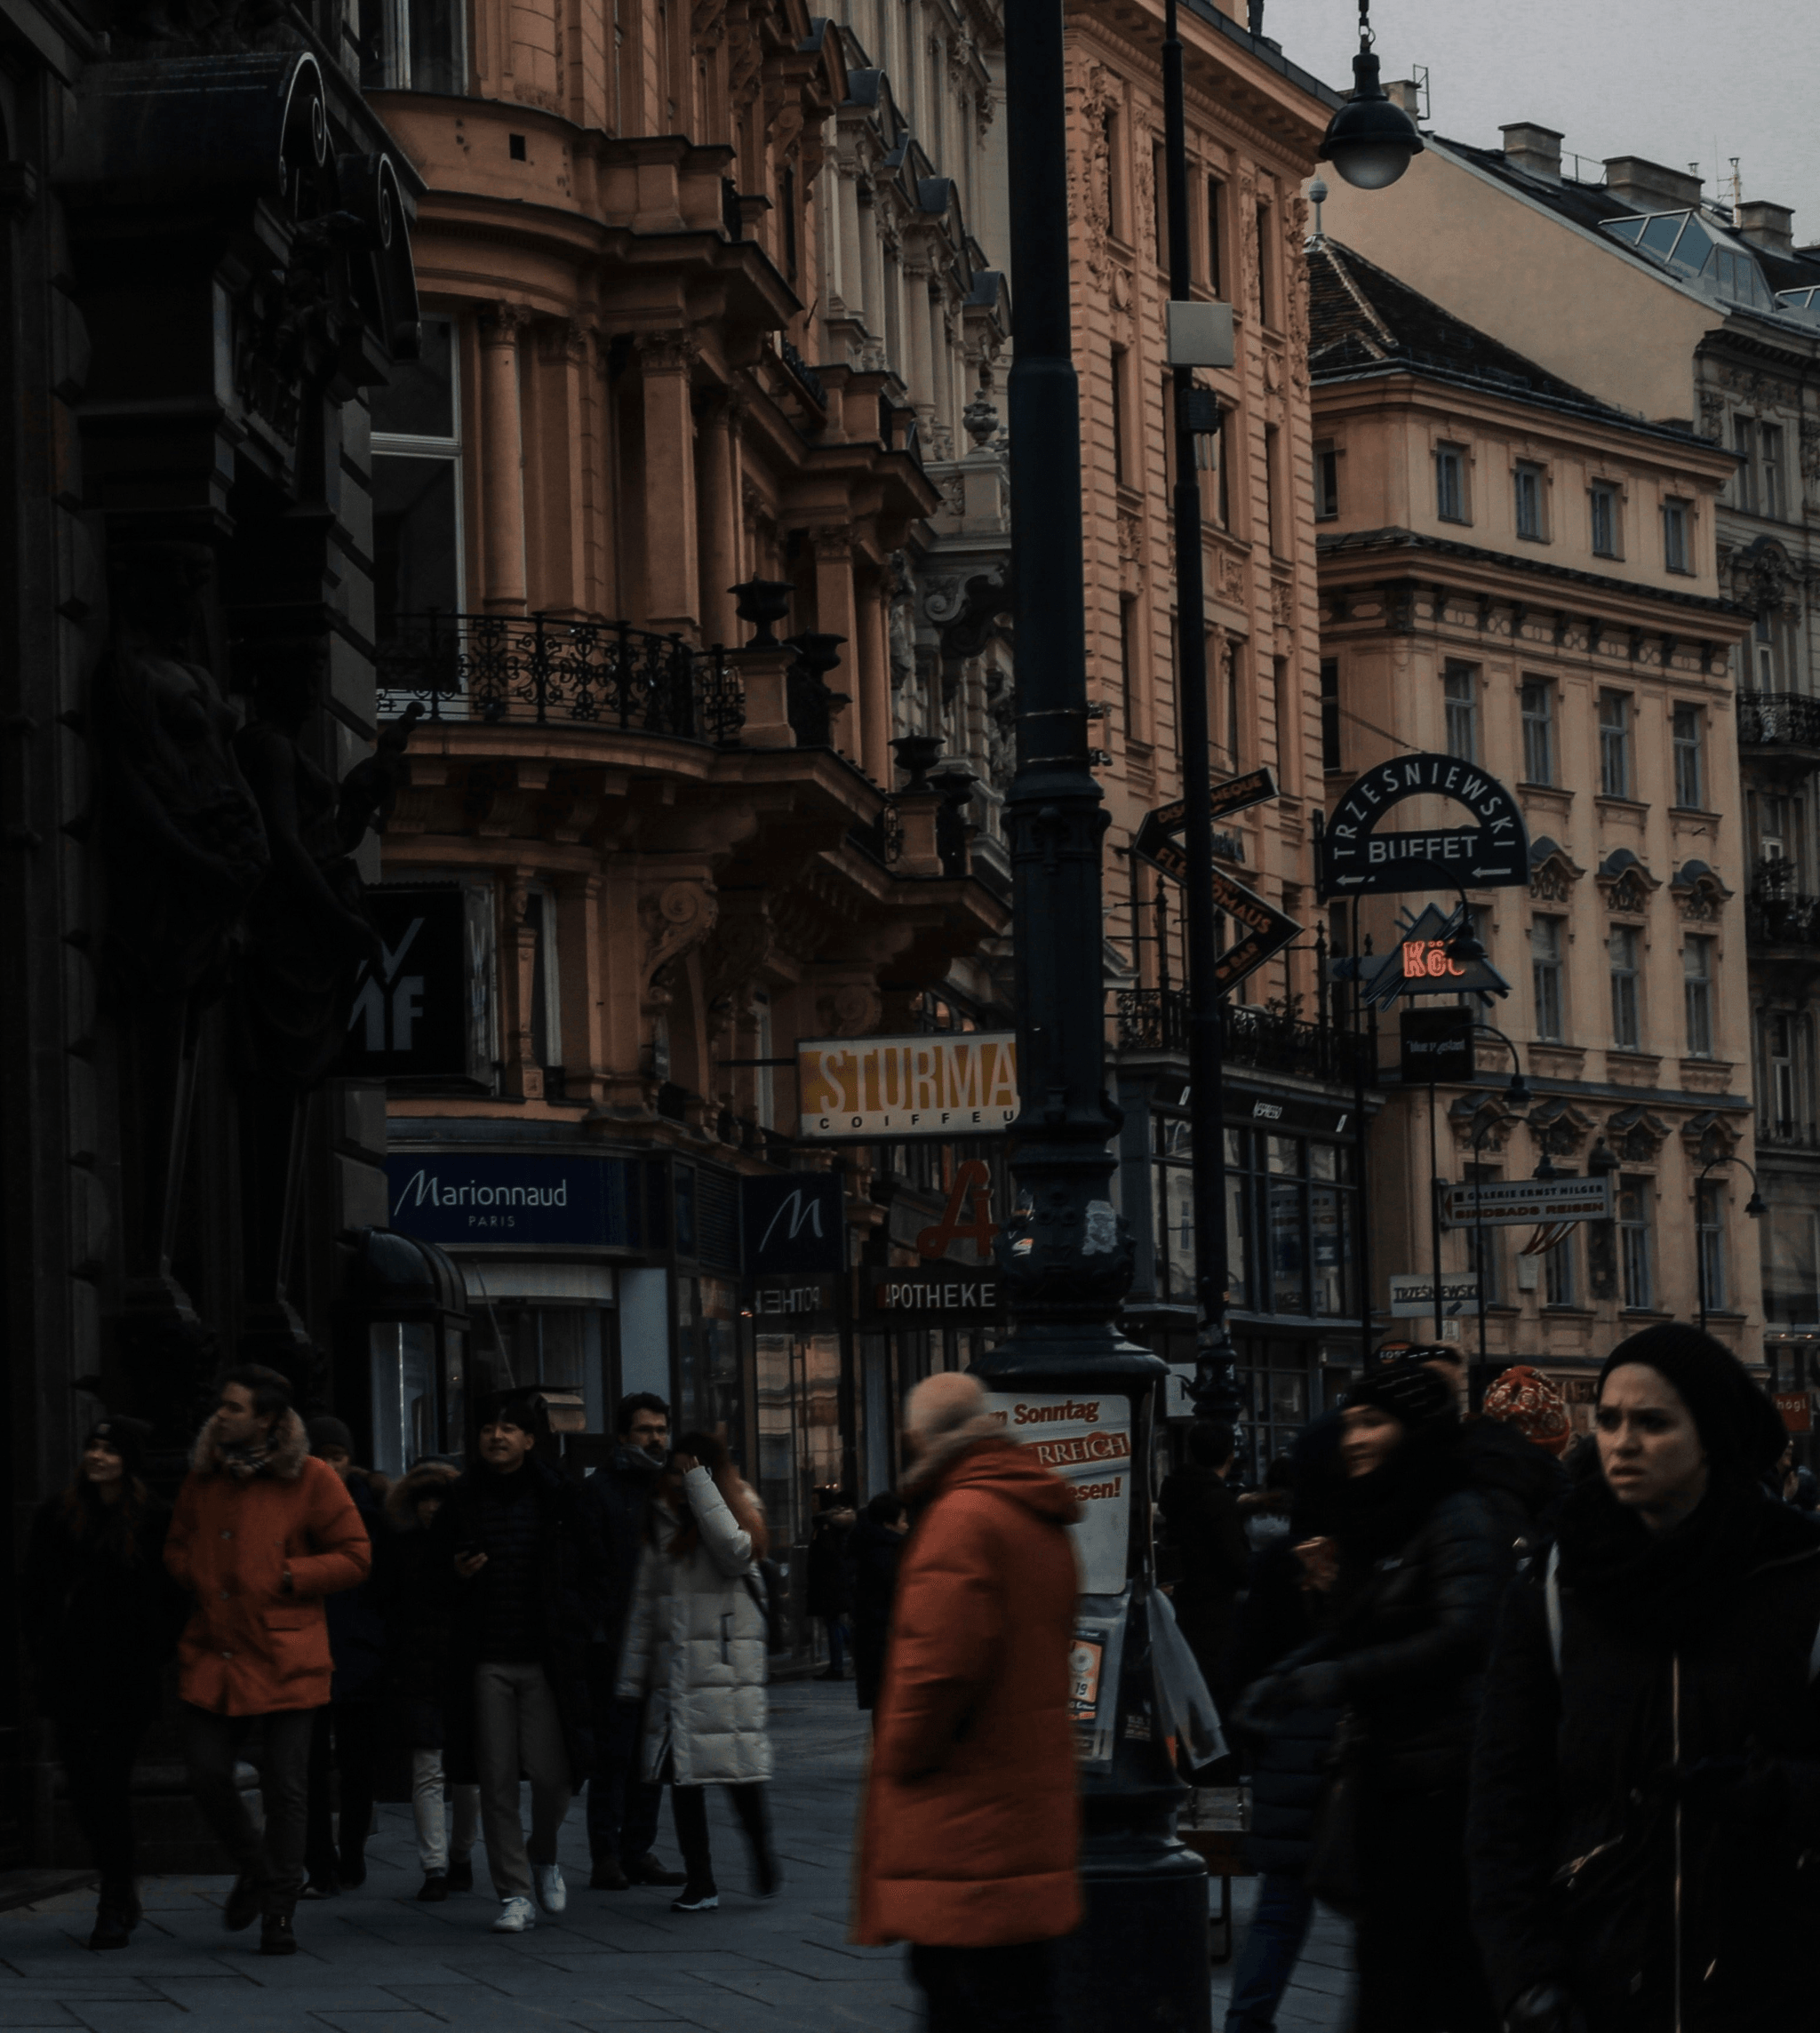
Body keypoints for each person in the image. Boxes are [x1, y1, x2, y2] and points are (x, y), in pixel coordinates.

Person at [1469, 1322, 1820, 2032]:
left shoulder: (1797, 1575)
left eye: (1653, 1423)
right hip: (1602, 1975)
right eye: (1608, 1420)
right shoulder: (1558, 1582)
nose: (1622, 1443)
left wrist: (1781, 1792)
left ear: (1711, 1436)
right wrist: (1524, 1975)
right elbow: (1506, 1795)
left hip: (1774, 1977)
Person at [1239, 1358, 1505, 2033]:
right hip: (1387, 1772)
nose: (1353, 1438)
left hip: (1446, 1778)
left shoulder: (1456, 1513)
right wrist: (1291, 1674)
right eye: (1350, 1423)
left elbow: (1465, 1632)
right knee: (1392, 1966)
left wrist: (1340, 1675)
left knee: (1427, 1970)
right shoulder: (1385, 1518)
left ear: (1414, 1431)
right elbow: (1353, 1626)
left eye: (1373, 1423)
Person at [854, 1372, 1081, 2032]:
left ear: (916, 1437)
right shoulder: (1035, 1512)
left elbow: (936, 1673)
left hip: (965, 1826)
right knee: (1021, 2000)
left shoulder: (958, 1518)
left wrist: (898, 1755)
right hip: (1024, 1804)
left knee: (966, 1999)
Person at [164, 1367, 371, 1957]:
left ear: (268, 1421)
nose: (221, 1414)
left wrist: (289, 1575)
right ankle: (255, 1866)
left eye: (234, 1407)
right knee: (204, 1771)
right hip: (216, 1650)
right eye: (221, 1405)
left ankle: (279, 1910)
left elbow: (355, 1556)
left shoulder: (310, 1478)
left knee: (288, 1789)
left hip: (287, 1653)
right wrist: (195, 1574)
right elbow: (177, 1544)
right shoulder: (203, 1476)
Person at [429, 1389, 603, 1934]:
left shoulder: (559, 1495)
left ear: (531, 1439)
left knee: (556, 1776)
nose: (496, 1436)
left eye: (508, 1429)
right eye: (488, 1428)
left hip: (546, 1657)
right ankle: (513, 1893)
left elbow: (590, 1568)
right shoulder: (460, 1497)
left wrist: (577, 1621)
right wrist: (455, 1572)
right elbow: (429, 1575)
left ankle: (544, 1851)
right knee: (496, 1778)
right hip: (485, 1657)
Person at [21, 1417, 184, 1951]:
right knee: (82, 1783)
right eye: (93, 1446)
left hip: (126, 1675)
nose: (97, 1456)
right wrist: (42, 1646)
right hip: (69, 1672)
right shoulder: (56, 1515)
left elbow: (172, 1596)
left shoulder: (154, 1520)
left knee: (108, 1782)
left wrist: (153, 1652)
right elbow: (34, 1589)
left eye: (110, 1450)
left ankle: (114, 1896)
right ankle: (120, 1879)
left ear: (128, 1460)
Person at [615, 1429, 778, 1913]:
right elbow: (646, 1602)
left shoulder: (738, 1502)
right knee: (684, 1779)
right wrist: (631, 1677)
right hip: (677, 1670)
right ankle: (701, 1882)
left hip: (726, 1664)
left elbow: (735, 1552)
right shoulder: (661, 1515)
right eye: (674, 1469)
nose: (677, 1479)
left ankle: (762, 1854)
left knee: (739, 1774)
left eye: (688, 1469)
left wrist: (702, 1486)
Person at [1221, 1416, 1345, 2033]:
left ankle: (1247, 2021)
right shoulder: (1372, 1551)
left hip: (1286, 1751)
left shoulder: (1276, 1560)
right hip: (1350, 1747)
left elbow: (1244, 1662)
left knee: (1280, 1905)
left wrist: (1257, 1745)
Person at [582, 1393, 683, 1893]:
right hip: (616, 1641)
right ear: (624, 1435)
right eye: (645, 1430)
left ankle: (638, 1847)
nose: (656, 1438)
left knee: (653, 1751)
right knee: (613, 1752)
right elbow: (589, 1571)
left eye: (661, 1429)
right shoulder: (600, 1490)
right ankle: (606, 1851)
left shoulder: (670, 1490)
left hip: (662, 1641)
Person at [375, 1459, 479, 1901]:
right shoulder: (400, 1548)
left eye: (439, 1499)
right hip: (420, 1667)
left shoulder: (470, 1549)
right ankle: (437, 1865)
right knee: (430, 1769)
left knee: (466, 1777)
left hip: (459, 1665)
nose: (431, 1508)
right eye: (424, 1499)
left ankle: (457, 1856)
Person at [302, 1416, 389, 1897]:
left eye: (337, 1457)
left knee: (357, 1766)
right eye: (322, 1457)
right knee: (310, 1767)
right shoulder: (299, 1510)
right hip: (312, 1651)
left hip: (359, 1653)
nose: (331, 1467)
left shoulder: (372, 1510)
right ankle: (321, 1865)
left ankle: (351, 1857)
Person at [1158, 1420, 1251, 1706]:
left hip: (1183, 1603)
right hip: (1215, 1609)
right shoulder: (1218, 1499)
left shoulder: (1176, 1493)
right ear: (1230, 1456)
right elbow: (1237, 1564)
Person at [850, 1490, 909, 1713]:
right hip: (885, 1641)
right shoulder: (888, 1556)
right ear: (888, 1524)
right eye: (903, 1520)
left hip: (872, 1642)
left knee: (883, 1710)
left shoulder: (864, 1548)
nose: (906, 1526)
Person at [806, 1484, 857, 1679]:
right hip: (831, 1582)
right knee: (833, 1622)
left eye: (815, 1500)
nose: (811, 1504)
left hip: (829, 1583)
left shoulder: (826, 1526)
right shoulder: (824, 1524)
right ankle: (847, 1658)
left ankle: (837, 1666)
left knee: (832, 1623)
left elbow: (827, 1555)